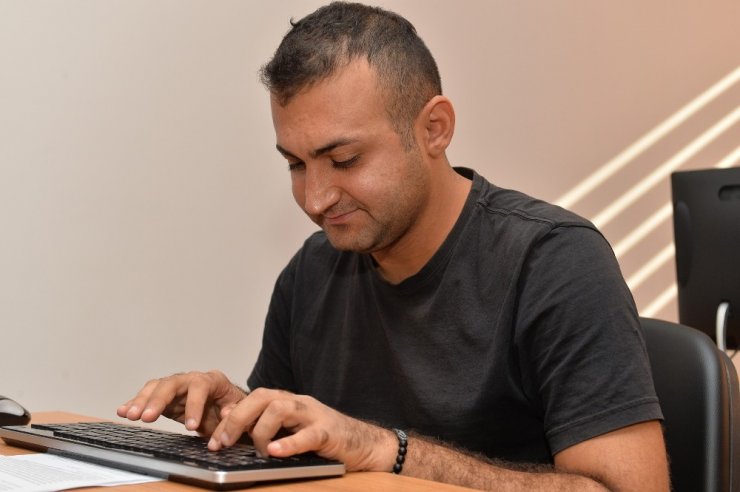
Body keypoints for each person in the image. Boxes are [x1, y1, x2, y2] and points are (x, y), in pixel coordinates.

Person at [118, 2, 670, 490]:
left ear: (434, 128)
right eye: (295, 164)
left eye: (344, 160)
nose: (316, 199)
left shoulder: (554, 261)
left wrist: (387, 451)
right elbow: (297, 454)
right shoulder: (311, 272)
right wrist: (239, 423)